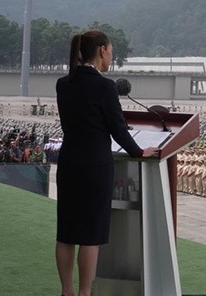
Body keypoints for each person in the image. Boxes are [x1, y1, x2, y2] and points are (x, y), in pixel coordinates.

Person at [55, 30, 159, 296]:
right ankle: (85, 292)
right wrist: (139, 151)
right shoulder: (105, 86)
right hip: (95, 166)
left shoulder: (64, 84)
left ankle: (66, 291)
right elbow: (118, 129)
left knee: (66, 233)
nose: (111, 56)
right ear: (102, 50)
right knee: (90, 235)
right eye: (111, 50)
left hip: (68, 164)